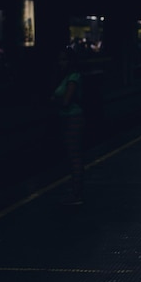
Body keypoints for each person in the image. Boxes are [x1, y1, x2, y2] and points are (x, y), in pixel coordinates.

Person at [51, 47, 85, 205]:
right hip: (67, 119)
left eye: (64, 59)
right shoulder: (66, 77)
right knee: (71, 156)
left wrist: (53, 100)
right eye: (59, 60)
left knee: (74, 156)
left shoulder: (73, 77)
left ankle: (77, 193)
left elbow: (66, 101)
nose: (61, 63)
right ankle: (74, 190)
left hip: (73, 119)